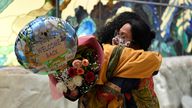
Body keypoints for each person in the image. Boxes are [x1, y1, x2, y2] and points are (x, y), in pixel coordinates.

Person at [78, 12, 162, 108]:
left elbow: (102, 99)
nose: (116, 39)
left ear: (135, 46)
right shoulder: (110, 60)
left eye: (123, 37)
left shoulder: (137, 68)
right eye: (117, 34)